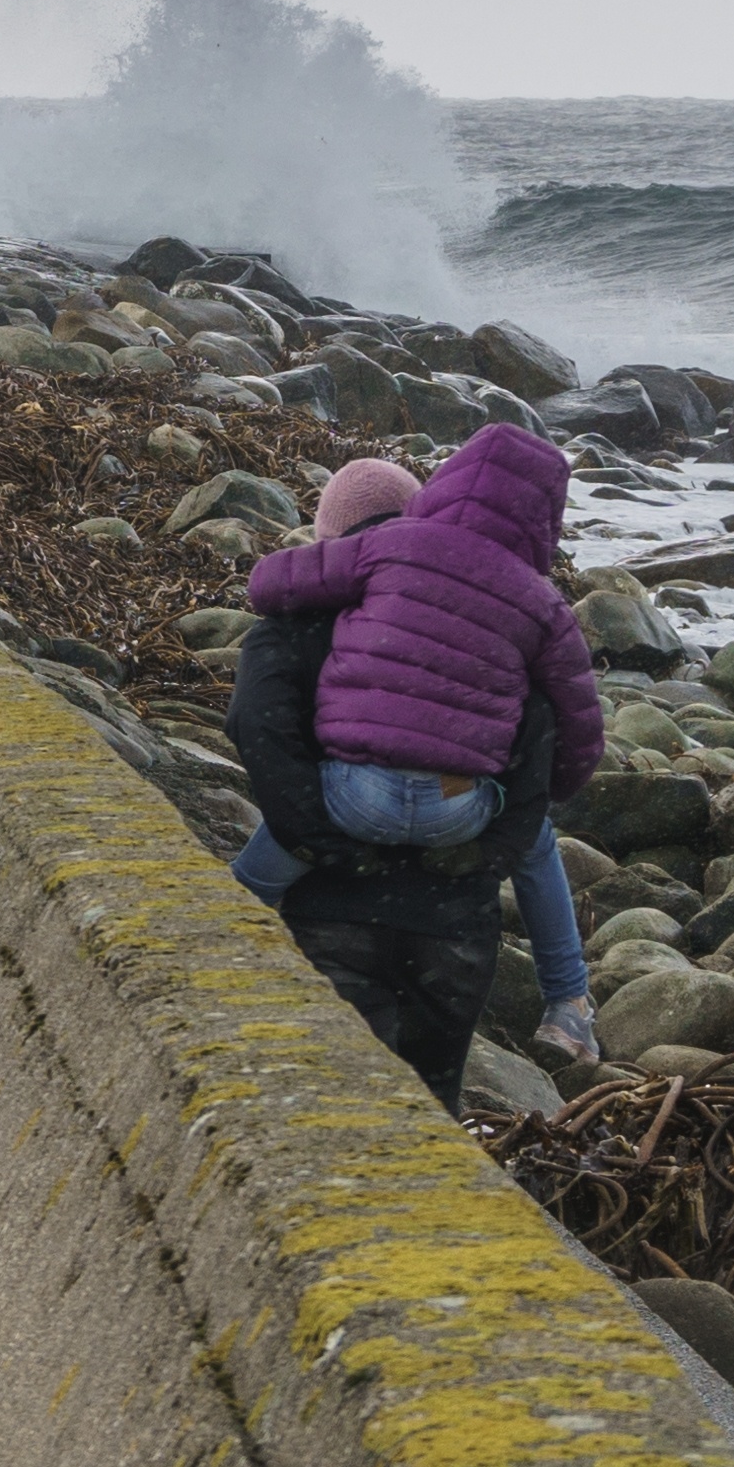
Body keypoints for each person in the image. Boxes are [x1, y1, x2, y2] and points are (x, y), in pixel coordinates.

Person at [222, 428, 604, 1103]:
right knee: (434, 1105)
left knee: (334, 1102)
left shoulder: (297, 624)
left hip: (334, 899)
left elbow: (258, 728)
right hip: (454, 920)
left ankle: (214, 932)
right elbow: (555, 743)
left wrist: (321, 839)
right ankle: (568, 1000)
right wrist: (490, 848)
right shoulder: (525, 607)